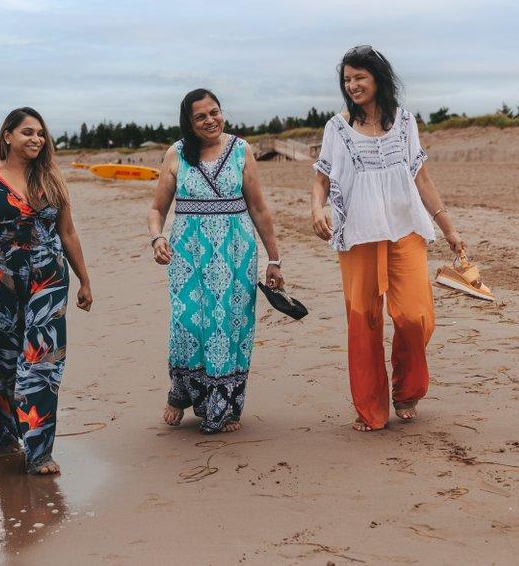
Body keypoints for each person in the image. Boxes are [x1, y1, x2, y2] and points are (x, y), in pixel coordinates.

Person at [311, 46, 465, 432]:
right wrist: (318, 208)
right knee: (363, 319)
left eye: (359, 77)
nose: (353, 85)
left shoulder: (405, 122)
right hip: (359, 233)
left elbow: (422, 178)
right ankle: (370, 409)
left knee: (415, 316)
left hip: (405, 228)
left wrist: (449, 229)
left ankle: (407, 388)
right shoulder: (337, 128)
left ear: (378, 78)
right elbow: (322, 177)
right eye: (347, 80)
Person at [0, 107, 94, 474]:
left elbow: (68, 233)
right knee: (1, 365)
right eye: (27, 132)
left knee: (41, 361)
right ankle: (4, 440)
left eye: (41, 134)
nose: (36, 139)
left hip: (48, 278)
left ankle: (40, 452)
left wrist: (85, 279)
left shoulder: (53, 179)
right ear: (8, 136)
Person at [147, 89, 284, 434]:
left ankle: (224, 404)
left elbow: (258, 208)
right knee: (187, 324)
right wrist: (157, 237)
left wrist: (274, 259)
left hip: (236, 253)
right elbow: (157, 209)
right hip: (188, 255)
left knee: (231, 326)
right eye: (200, 116)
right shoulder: (176, 154)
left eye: (214, 112)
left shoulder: (241, 150)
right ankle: (180, 394)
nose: (210, 120)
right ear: (189, 123)